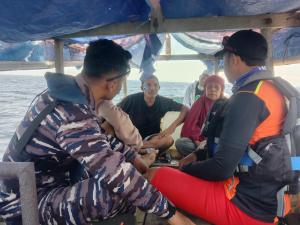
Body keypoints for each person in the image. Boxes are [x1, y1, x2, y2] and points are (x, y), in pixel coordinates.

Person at [1, 39, 194, 225]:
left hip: (46, 182)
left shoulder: (67, 95)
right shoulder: (71, 112)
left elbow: (101, 139)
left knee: (127, 177)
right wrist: (173, 215)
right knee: (119, 192)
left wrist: (134, 158)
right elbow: (115, 173)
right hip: (24, 203)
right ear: (113, 84)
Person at [147, 30, 292, 225]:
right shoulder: (273, 89)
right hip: (274, 197)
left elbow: (221, 169)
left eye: (224, 58)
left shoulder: (248, 97)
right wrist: (198, 155)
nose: (224, 64)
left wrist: (186, 168)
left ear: (234, 59)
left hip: (247, 207)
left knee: (157, 174)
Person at [118, 74, 189, 151]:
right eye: (148, 85)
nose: (152, 88)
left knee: (169, 140)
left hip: (152, 139)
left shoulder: (163, 102)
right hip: (132, 136)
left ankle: (138, 148)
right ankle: (143, 150)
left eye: (155, 85)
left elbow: (185, 108)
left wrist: (172, 127)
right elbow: (114, 112)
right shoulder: (130, 100)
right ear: (142, 88)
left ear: (159, 88)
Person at [175, 75, 225, 157]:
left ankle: (202, 156)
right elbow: (191, 125)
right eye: (209, 87)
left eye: (216, 87)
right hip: (199, 140)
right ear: (205, 89)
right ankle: (205, 156)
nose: (213, 89)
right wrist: (197, 141)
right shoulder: (200, 102)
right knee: (181, 143)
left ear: (221, 90)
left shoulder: (226, 104)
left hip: (217, 142)